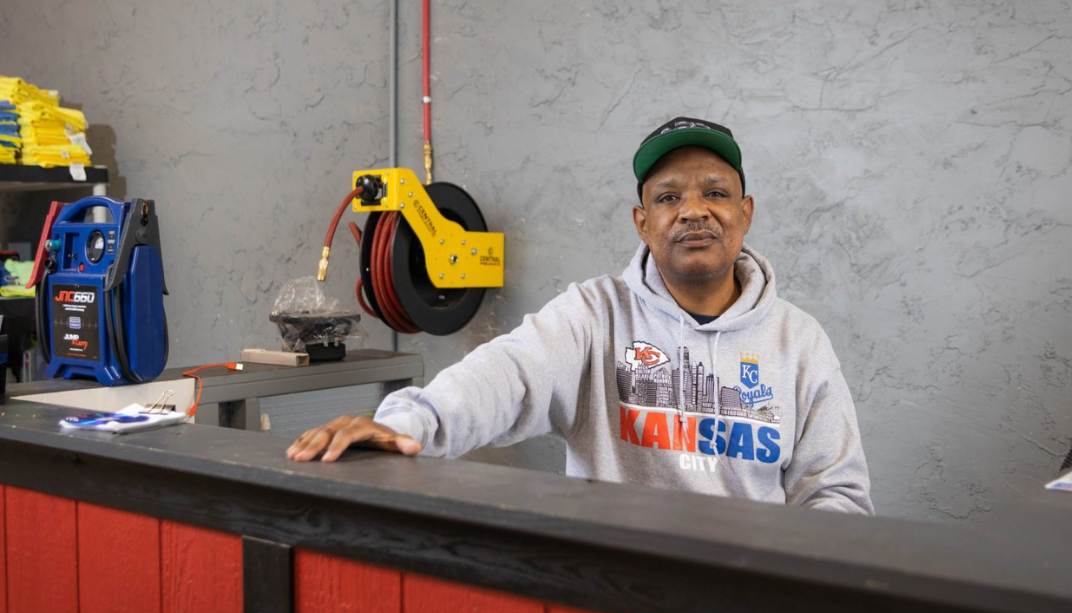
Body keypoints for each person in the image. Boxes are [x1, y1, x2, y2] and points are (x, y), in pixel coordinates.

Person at [289, 117, 873, 514]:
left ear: (744, 214)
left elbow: (837, 494)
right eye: (668, 197)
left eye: (715, 193)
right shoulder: (594, 316)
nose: (694, 210)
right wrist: (405, 425)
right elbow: (506, 375)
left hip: (751, 609)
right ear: (642, 222)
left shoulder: (799, 341)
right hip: (613, 593)